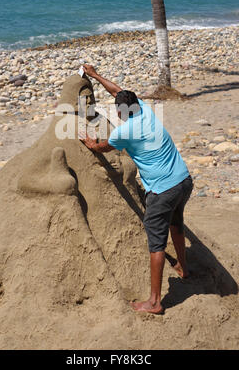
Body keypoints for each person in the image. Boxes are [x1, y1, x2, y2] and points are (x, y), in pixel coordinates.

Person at [80, 64, 193, 315]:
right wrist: (96, 75)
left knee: (156, 243)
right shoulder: (145, 110)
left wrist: (90, 142)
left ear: (122, 110)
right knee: (176, 224)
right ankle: (184, 268)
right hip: (183, 180)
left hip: (163, 190)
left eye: (117, 109)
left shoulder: (125, 130)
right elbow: (119, 91)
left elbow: (103, 148)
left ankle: (154, 302)